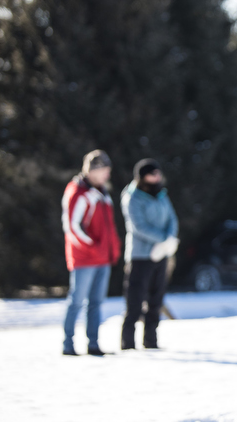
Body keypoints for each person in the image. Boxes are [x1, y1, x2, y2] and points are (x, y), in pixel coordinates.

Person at [61, 150, 121, 356]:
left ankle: (93, 343)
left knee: (96, 303)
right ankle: (68, 344)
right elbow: (72, 227)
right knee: (77, 301)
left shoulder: (102, 192)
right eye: (105, 170)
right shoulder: (79, 192)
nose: (108, 175)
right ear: (94, 170)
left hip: (102, 258)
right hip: (85, 258)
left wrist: (112, 249)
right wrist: (92, 247)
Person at [120, 159, 179, 350]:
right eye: (152, 174)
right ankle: (128, 343)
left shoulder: (161, 194)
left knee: (156, 299)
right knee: (135, 301)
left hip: (161, 255)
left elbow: (172, 218)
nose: (157, 177)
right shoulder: (132, 197)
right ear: (142, 176)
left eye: (158, 174)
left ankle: (151, 341)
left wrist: (169, 239)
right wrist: (162, 238)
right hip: (140, 256)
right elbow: (138, 226)